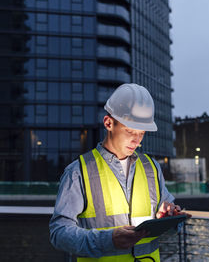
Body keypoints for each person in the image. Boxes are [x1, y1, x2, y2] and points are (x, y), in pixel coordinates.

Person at [49, 83, 189, 262]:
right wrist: (108, 240)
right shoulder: (78, 172)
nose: (136, 140)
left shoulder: (151, 167)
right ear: (109, 123)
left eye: (141, 133)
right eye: (130, 131)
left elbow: (165, 211)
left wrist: (170, 216)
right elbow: (59, 233)